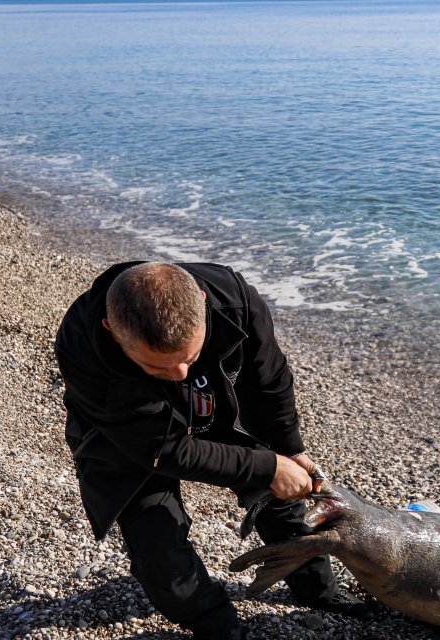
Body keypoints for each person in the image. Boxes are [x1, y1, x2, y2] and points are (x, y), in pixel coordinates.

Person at [55, 261, 357, 639]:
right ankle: (219, 627)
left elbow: (270, 381)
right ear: (113, 333)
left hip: (216, 401)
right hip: (131, 437)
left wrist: (288, 450)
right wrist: (267, 466)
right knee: (158, 548)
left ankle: (320, 592)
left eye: (190, 356)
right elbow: (164, 451)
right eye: (159, 366)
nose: (180, 373)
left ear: (201, 302)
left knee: (282, 499)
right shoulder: (81, 343)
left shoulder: (233, 298)